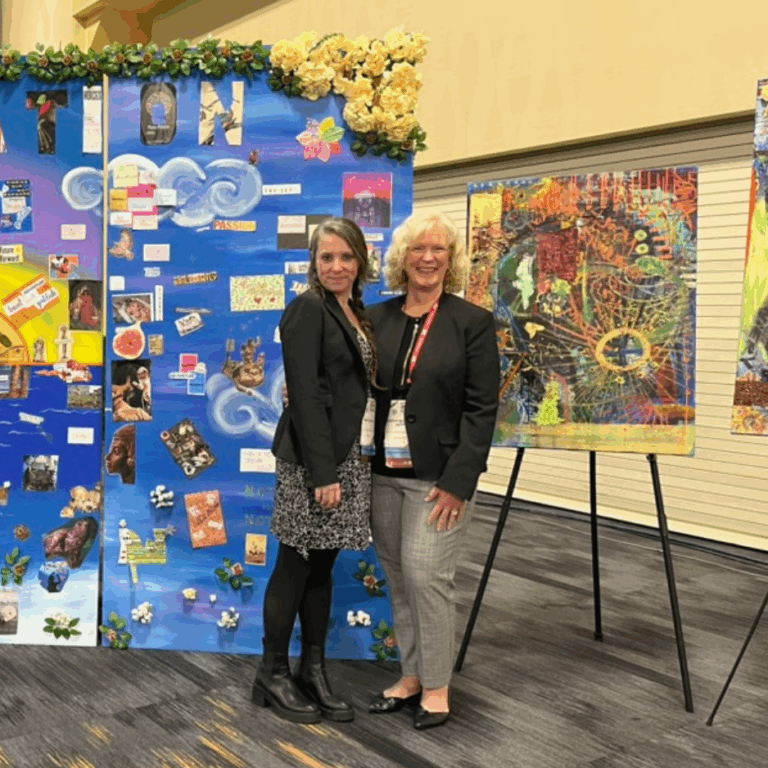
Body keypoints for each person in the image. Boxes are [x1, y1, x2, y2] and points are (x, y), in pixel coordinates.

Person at [367, 210, 500, 730]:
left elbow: (481, 408)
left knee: (429, 578)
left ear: (452, 259)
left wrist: (459, 482)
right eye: (419, 249)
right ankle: (412, 675)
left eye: (439, 249)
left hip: (437, 478)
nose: (428, 258)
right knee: (399, 578)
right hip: (382, 473)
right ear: (402, 258)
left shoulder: (471, 322)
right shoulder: (377, 318)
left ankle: (438, 687)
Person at [252, 217, 377, 724]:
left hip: (346, 455)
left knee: (322, 564)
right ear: (313, 264)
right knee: (295, 563)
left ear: (360, 261)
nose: (337, 266)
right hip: (313, 459)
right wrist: (323, 473)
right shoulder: (307, 309)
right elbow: (303, 394)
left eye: (346, 257)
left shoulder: (354, 310)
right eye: (327, 258)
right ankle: (273, 673)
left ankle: (313, 668)